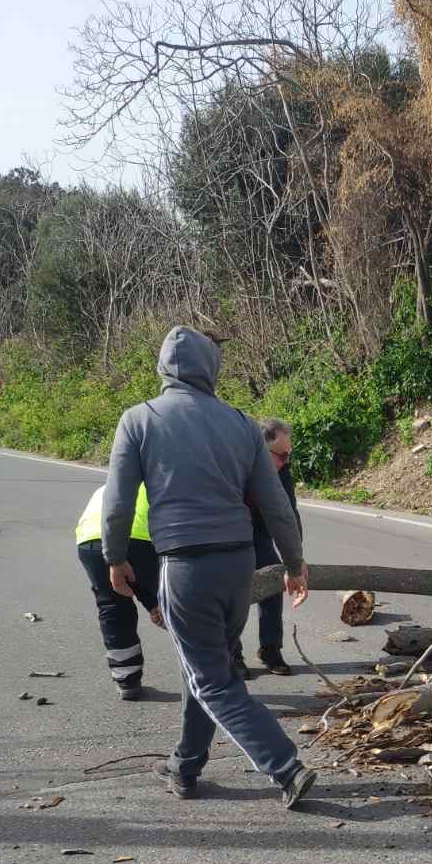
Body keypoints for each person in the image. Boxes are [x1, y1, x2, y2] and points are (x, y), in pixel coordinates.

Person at [101, 325, 316, 809]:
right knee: (204, 665)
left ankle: (285, 766)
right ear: (212, 370)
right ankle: (186, 765)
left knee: (212, 678)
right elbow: (277, 504)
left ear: (162, 368)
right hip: (238, 565)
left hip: (186, 564)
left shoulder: (139, 420)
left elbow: (116, 504)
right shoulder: (241, 423)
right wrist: (294, 561)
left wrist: (115, 558)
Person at [75, 481, 164, 700]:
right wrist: (154, 600)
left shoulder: (107, 485)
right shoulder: (157, 481)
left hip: (91, 541)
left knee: (112, 605)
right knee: (174, 601)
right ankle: (211, 669)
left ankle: (127, 680)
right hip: (140, 539)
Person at [234, 417, 298, 679]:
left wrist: (295, 562)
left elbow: (289, 514)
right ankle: (232, 653)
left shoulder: (281, 469)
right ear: (262, 449)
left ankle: (270, 648)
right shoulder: (236, 464)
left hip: (259, 530)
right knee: (235, 592)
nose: (286, 461)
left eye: (288, 454)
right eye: (281, 455)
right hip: (231, 533)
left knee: (273, 581)